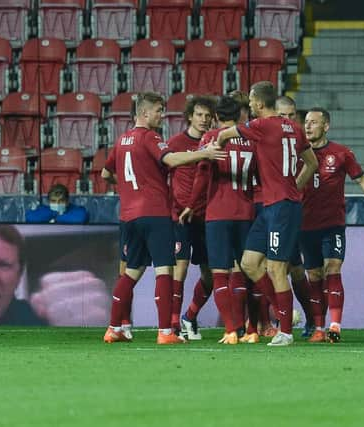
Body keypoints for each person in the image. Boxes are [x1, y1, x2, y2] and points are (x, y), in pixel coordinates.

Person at [100, 91, 226, 345]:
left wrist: (128, 187)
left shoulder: (122, 139)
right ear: (144, 113)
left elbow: (105, 173)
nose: (162, 115)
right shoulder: (149, 137)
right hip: (155, 213)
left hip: (129, 215)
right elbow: (171, 159)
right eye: (158, 111)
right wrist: (204, 153)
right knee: (164, 270)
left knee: (131, 272)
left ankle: (113, 328)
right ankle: (166, 332)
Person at [215, 81, 318, 346]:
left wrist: (215, 144)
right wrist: (294, 185)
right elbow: (312, 163)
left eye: (250, 100)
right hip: (273, 206)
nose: (249, 105)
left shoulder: (261, 126)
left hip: (282, 207)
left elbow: (227, 134)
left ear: (259, 103)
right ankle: (283, 312)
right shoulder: (294, 128)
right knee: (250, 262)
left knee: (276, 268)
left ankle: (285, 330)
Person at [301, 108, 364, 343]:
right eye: (306, 122)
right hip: (305, 225)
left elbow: (362, 179)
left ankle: (335, 326)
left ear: (326, 126)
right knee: (313, 275)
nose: (308, 126)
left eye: (313, 122)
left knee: (332, 267)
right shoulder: (297, 154)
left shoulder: (341, 153)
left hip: (333, 224)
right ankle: (318, 327)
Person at [180, 95, 257, 344]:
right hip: (246, 212)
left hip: (217, 213)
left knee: (219, 273)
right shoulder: (250, 141)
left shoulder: (211, 139)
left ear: (216, 117)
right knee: (244, 272)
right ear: (239, 116)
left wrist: (191, 205)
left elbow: (202, 176)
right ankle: (252, 329)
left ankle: (232, 330)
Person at [168, 95, 217, 340]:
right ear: (190, 116)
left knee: (211, 275)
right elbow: (160, 174)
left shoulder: (215, 143)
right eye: (199, 114)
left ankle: (190, 316)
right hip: (181, 217)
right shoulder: (176, 143)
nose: (204, 119)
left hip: (208, 217)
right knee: (181, 267)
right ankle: (174, 324)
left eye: (208, 116)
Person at [275, 95, 314, 337]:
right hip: (267, 209)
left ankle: (308, 319)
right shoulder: (267, 135)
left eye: (291, 115)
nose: (288, 120)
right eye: (283, 116)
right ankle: (266, 323)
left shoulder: (298, 137)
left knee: (293, 268)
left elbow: (312, 164)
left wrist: (294, 189)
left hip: (291, 211)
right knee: (261, 265)